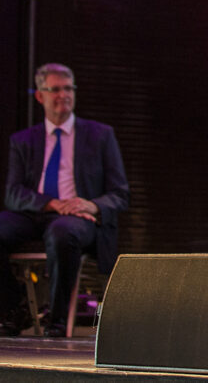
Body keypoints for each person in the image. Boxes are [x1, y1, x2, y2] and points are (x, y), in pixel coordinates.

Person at [0, 64, 130, 337]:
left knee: (62, 232)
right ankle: (14, 308)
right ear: (40, 96)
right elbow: (13, 194)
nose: (64, 95)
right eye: (55, 89)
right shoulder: (23, 140)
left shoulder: (100, 135)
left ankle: (56, 321)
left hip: (78, 219)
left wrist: (90, 204)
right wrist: (52, 203)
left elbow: (120, 194)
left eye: (68, 88)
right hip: (38, 213)